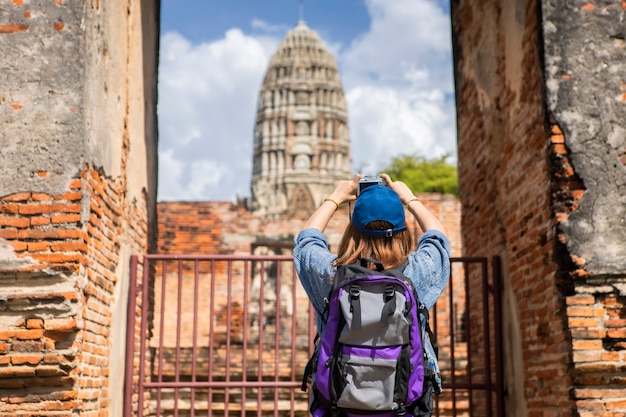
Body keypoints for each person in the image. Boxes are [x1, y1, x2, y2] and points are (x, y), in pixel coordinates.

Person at [293, 173, 451, 414]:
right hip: (402, 406)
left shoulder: (331, 276)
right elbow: (437, 238)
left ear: (352, 231)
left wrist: (334, 198)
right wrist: (408, 198)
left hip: (339, 406)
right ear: (401, 231)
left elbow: (306, 241)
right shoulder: (415, 274)